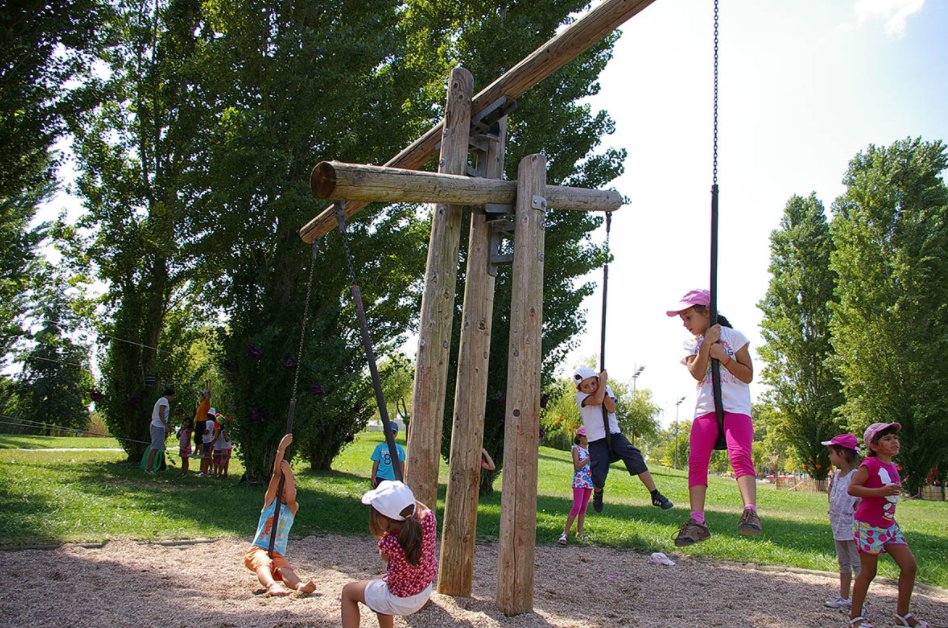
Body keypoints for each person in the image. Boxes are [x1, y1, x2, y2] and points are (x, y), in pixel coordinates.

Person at [666, 289, 760, 546]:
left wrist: (724, 357)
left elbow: (748, 374)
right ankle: (697, 520)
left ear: (706, 311)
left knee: (740, 454)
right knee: (696, 459)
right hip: (705, 408)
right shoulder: (692, 344)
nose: (685, 325)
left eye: (688, 317)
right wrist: (707, 345)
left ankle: (750, 511)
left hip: (736, 407)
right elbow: (697, 373)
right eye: (683, 320)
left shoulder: (735, 337)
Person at [848, 423, 930, 628]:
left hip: (888, 526)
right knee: (868, 572)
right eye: (887, 438)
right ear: (874, 446)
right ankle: (855, 619)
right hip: (868, 525)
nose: (894, 441)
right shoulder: (870, 464)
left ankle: (902, 615)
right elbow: (852, 488)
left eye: (895, 437)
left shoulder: (892, 466)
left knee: (909, 566)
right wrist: (880, 492)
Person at [573, 367, 673, 513]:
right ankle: (598, 492)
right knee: (598, 476)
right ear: (580, 388)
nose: (591, 388)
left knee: (634, 456)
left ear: (597, 381)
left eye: (593, 384)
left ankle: (655, 494)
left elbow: (611, 408)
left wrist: (604, 386)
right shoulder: (581, 397)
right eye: (586, 386)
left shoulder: (605, 389)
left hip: (614, 434)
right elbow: (597, 399)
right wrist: (603, 382)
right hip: (597, 440)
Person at [341, 480, 437, 627]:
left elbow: (384, 556)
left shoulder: (390, 542)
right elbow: (422, 509)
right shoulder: (428, 521)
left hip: (400, 599)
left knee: (348, 592)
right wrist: (405, 498)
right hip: (424, 590)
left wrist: (387, 532)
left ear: (382, 518)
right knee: (377, 585)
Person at [242, 433, 316, 596]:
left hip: (277, 552)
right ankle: (271, 585)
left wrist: (289, 475)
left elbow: (290, 497)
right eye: (283, 488)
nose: (288, 489)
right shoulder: (270, 504)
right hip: (258, 549)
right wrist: (281, 449)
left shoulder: (292, 507)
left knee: (285, 569)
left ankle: (299, 586)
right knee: (264, 562)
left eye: (291, 486)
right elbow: (276, 475)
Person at [822, 433, 862, 611]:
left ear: (842, 454)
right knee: (843, 562)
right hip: (838, 526)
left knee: (858, 564)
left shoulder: (856, 476)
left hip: (853, 528)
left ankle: (859, 603)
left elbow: (860, 501)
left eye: (831, 452)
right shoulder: (837, 476)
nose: (829, 456)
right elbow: (832, 498)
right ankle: (844, 597)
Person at [559, 426, 593, 545]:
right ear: (579, 437)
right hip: (579, 481)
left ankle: (579, 533)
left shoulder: (591, 449)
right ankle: (565, 533)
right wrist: (589, 458)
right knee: (576, 506)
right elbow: (577, 466)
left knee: (583, 507)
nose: (588, 438)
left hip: (589, 482)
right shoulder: (576, 449)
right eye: (585, 436)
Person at [146, 387, 175, 474]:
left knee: (158, 446)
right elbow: (161, 413)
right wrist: (165, 424)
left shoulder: (162, 400)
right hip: (158, 425)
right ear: (170, 395)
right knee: (154, 447)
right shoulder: (163, 401)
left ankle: (153, 466)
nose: (173, 399)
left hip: (158, 425)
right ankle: (149, 468)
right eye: (173, 396)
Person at [370, 423, 406, 488]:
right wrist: (373, 477)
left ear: (396, 434)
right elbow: (376, 463)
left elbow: (402, 464)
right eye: (388, 432)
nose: (391, 434)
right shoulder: (379, 447)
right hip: (380, 477)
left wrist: (401, 478)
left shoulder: (399, 448)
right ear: (384, 432)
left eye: (393, 432)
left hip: (394, 478)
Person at [200, 410, 218, 476]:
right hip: (208, 440)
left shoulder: (208, 422)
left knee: (206, 456)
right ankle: (210, 469)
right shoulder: (212, 422)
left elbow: (206, 431)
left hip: (206, 441)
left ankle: (204, 471)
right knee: (208, 456)